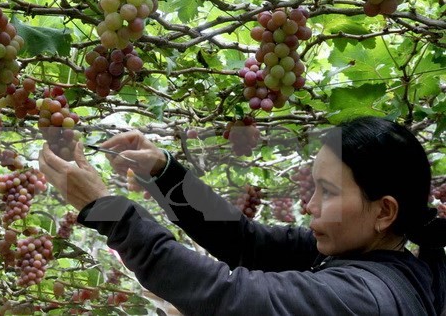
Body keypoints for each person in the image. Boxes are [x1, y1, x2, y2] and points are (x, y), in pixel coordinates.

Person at [38, 116, 446, 315]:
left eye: (328, 192)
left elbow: (226, 294)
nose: (310, 205)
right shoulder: (369, 257)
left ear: (384, 211)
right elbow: (246, 241)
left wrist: (109, 211)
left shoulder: (360, 298)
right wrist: (164, 173)